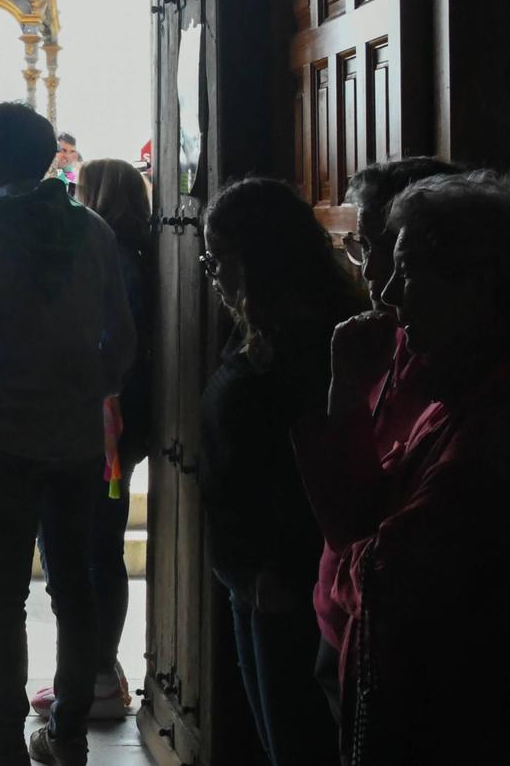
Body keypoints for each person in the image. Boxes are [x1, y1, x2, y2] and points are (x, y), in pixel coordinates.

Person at [292, 173, 510, 765]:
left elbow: (389, 573)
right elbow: (366, 519)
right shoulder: (460, 386)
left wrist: (356, 564)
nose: (390, 292)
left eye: (408, 269)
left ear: (475, 283)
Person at [0, 103, 135, 766]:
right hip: (78, 433)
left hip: (7, 435)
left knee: (2, 591)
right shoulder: (94, 229)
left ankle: (2, 741)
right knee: (72, 582)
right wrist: (92, 389)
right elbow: (122, 338)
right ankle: (70, 734)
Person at [197, 178, 355, 766]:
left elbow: (309, 468)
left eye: (220, 258)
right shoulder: (257, 325)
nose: (211, 272)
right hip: (247, 569)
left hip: (284, 576)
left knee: (298, 741)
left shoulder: (315, 341)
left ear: (261, 257)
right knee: (274, 734)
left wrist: (281, 567)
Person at [305, 157, 458, 711]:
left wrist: (343, 389)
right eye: (360, 249)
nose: (374, 278)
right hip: (340, 611)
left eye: (385, 250)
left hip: (382, 625)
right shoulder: (388, 339)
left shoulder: (442, 362)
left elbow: (364, 512)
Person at [33, 157, 155, 722]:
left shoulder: (117, 259)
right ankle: (94, 671)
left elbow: (111, 341)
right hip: (117, 421)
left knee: (92, 551)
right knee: (94, 546)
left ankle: (96, 677)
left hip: (107, 422)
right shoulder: (132, 254)